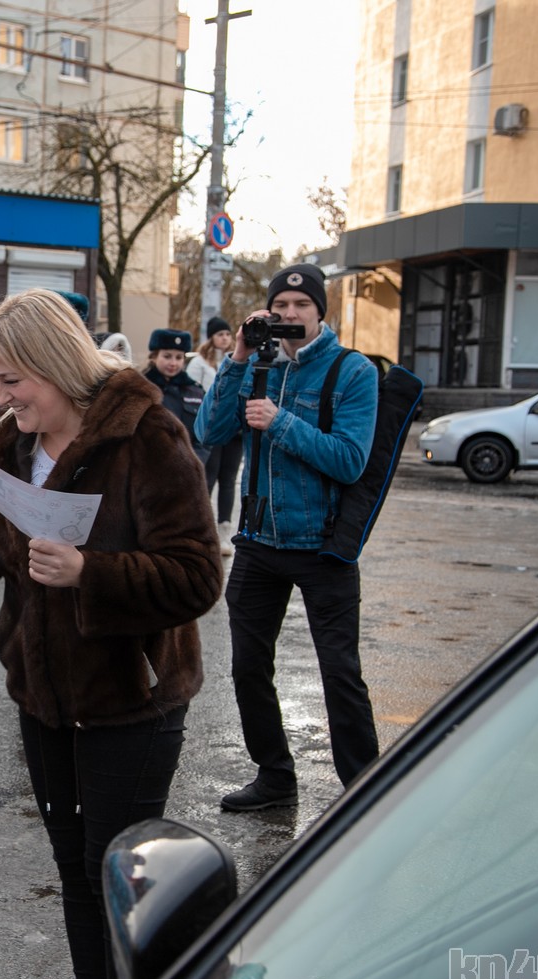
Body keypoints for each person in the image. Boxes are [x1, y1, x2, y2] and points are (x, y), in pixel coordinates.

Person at [0, 289, 223, 979]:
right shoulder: (8, 446)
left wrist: (90, 571)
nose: (1, 397)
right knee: (72, 867)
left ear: (56, 365)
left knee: (117, 875)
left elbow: (197, 574)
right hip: (44, 699)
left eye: (12, 380)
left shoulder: (148, 438)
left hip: (132, 699)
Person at [194, 264, 380, 811]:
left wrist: (278, 423)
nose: (290, 315)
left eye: (301, 305)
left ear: (321, 311)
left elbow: (349, 461)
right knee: (249, 667)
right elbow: (208, 432)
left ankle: (365, 789)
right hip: (259, 542)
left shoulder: (353, 372)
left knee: (340, 673)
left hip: (324, 546)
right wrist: (240, 359)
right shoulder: (261, 366)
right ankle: (274, 776)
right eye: (281, 307)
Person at [188, 316, 242, 555]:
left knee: (228, 480)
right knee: (208, 477)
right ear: (211, 336)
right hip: (213, 429)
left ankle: (223, 534)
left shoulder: (238, 359)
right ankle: (204, 531)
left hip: (235, 430)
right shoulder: (199, 362)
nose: (225, 338)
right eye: (220, 334)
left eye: (228, 334)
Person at [141, 327, 209, 465]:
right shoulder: (142, 389)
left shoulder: (195, 391)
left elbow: (204, 436)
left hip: (187, 470)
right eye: (167, 356)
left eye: (179, 357)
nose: (173, 363)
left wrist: (194, 463)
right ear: (154, 357)